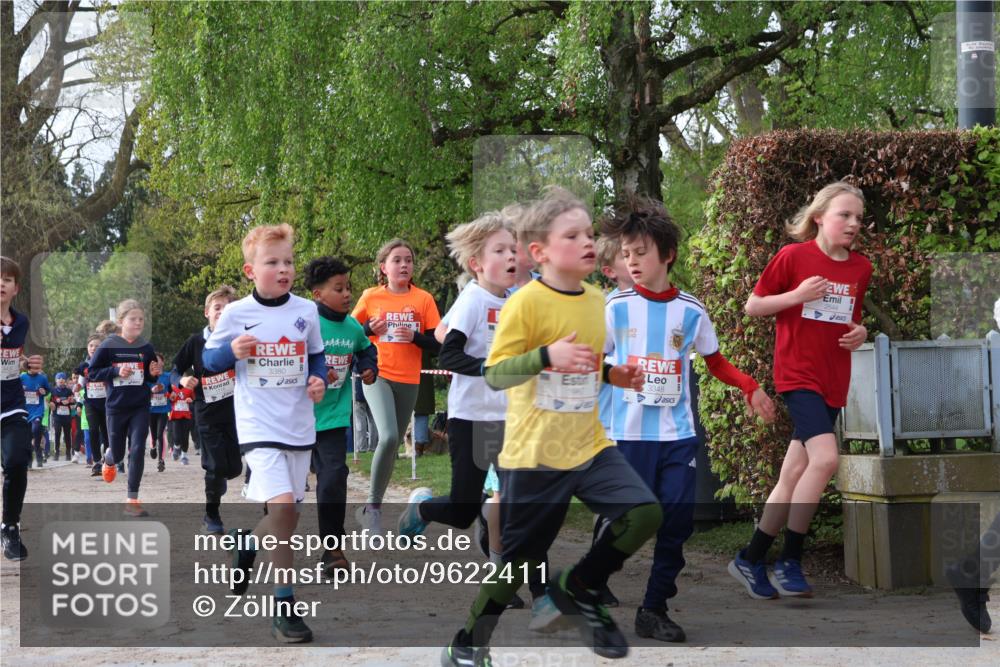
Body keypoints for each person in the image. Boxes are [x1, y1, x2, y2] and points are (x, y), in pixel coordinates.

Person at [441, 187, 662, 665]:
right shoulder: (525, 303)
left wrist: (611, 373)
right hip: (536, 451)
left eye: (588, 233)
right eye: (573, 235)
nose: (588, 242)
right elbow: (497, 375)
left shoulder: (597, 300)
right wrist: (545, 355)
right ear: (539, 252)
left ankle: (577, 585)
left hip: (589, 442)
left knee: (644, 513)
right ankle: (468, 643)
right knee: (518, 562)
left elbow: (583, 361)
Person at [600, 195, 776, 642]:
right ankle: (590, 579)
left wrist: (750, 387)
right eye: (626, 254)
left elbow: (715, 362)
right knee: (629, 523)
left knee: (676, 522)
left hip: (677, 435)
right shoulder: (613, 307)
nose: (632, 261)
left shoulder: (691, 310)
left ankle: (653, 609)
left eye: (640, 252)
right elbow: (590, 364)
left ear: (667, 254)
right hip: (626, 433)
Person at [729, 181, 872, 599]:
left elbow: (850, 320)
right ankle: (791, 560)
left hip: (834, 379)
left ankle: (750, 557)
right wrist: (796, 295)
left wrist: (861, 333)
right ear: (819, 217)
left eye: (858, 218)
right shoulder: (794, 256)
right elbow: (754, 306)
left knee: (793, 473)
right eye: (844, 215)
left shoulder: (860, 268)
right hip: (797, 375)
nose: (853, 224)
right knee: (825, 459)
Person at [203, 223, 326, 643]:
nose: (283, 268)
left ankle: (248, 545)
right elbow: (208, 358)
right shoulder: (237, 314)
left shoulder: (306, 311)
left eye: (288, 261)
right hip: (258, 426)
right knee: (284, 506)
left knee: (285, 518)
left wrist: (318, 380)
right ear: (250, 271)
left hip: (298, 425)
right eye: (272, 262)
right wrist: (229, 351)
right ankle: (285, 609)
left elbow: (316, 357)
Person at [351, 238, 441, 535]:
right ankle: (374, 509)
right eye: (397, 260)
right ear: (383, 267)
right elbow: (348, 333)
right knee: (389, 436)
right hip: (377, 374)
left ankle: (369, 510)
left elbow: (437, 342)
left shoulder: (423, 299)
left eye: (409, 260)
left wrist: (415, 337)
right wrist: (366, 330)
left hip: (409, 379)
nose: (404, 265)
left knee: (390, 448)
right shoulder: (370, 296)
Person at [303, 256, 377, 575]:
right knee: (288, 490)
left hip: (333, 418)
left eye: (348, 287)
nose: (347, 294)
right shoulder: (305, 323)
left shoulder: (351, 326)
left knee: (333, 479)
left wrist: (368, 366)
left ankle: (332, 550)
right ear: (318, 294)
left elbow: (363, 347)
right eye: (339, 288)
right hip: (297, 419)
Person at [172, 285, 242, 534]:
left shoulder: (239, 340)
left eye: (228, 308)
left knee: (234, 469)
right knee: (215, 467)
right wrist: (181, 381)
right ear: (206, 313)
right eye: (217, 308)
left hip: (235, 413)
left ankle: (217, 474)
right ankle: (211, 516)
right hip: (207, 413)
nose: (222, 313)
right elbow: (174, 370)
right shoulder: (195, 342)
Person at [88, 299, 163, 517]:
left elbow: (148, 377)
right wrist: (114, 372)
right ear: (121, 321)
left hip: (140, 405)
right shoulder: (108, 345)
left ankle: (132, 499)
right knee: (119, 453)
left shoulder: (145, 347)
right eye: (133, 319)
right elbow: (92, 373)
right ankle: (109, 458)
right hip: (116, 407)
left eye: (141, 319)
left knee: (138, 448)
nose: (138, 322)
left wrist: (154, 371)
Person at [1, 256, 44, 560]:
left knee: (17, 460)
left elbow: (12, 355)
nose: (1, 284)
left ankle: (10, 527)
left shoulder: (22, 322)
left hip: (11, 403)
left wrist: (26, 362)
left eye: (7, 279)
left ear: (16, 288)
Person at [78, 332, 111, 476]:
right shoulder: (83, 366)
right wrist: (76, 388)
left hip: (107, 403)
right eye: (91, 346)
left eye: (97, 346)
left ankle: (108, 460)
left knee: (106, 432)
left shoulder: (107, 363)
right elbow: (80, 384)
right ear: (87, 347)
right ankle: (97, 462)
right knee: (92, 430)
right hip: (90, 402)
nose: (93, 348)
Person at [149, 354, 170, 471]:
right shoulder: (148, 377)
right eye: (153, 361)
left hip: (163, 409)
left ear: (162, 362)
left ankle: (161, 461)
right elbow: (144, 391)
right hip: (151, 410)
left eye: (158, 360)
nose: (156, 363)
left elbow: (173, 389)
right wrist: (151, 390)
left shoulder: (168, 376)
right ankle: (153, 445)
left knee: (160, 434)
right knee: (153, 435)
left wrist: (171, 394)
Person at [49, 372, 76, 461]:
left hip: (67, 416)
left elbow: (73, 401)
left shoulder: (68, 391)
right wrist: (56, 402)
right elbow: (51, 401)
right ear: (56, 381)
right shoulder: (53, 390)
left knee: (67, 435)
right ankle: (56, 453)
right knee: (57, 434)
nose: (61, 381)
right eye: (59, 379)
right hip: (57, 416)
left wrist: (70, 401)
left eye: (63, 379)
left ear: (65, 381)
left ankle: (68, 453)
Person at [167, 382, 195, 465]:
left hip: (186, 416)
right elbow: (167, 398)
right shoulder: (172, 387)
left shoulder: (190, 387)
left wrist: (191, 401)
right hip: (175, 416)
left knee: (185, 436)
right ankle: (176, 447)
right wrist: (170, 398)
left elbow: (195, 399)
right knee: (176, 436)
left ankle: (184, 456)